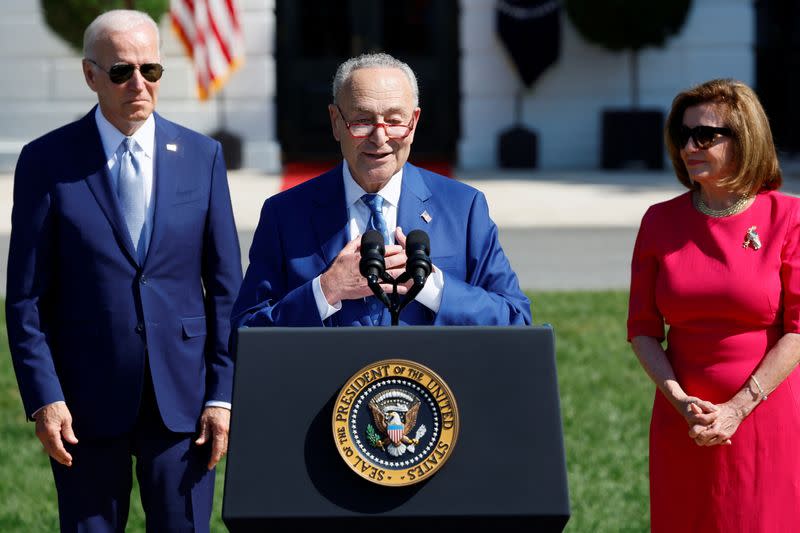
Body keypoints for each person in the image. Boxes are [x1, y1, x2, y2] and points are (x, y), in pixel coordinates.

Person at [5, 10, 242, 531]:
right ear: (91, 75)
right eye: (121, 72)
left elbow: (226, 291)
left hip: (184, 405)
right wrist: (45, 397)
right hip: (83, 407)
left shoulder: (202, 156)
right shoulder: (46, 162)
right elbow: (25, 300)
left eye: (151, 70)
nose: (139, 84)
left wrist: (222, 394)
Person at [231, 53, 530, 328]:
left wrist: (434, 289)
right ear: (336, 122)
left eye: (394, 121)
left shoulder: (464, 209)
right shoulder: (285, 215)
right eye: (362, 121)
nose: (379, 136)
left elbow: (516, 321)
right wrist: (325, 291)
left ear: (413, 124)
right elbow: (245, 333)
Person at [627, 78, 800, 531]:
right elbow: (642, 329)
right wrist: (679, 399)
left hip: (765, 417)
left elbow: (798, 331)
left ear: (744, 140)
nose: (690, 146)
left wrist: (738, 408)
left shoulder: (788, 217)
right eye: (683, 135)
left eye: (705, 135)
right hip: (684, 419)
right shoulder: (660, 221)